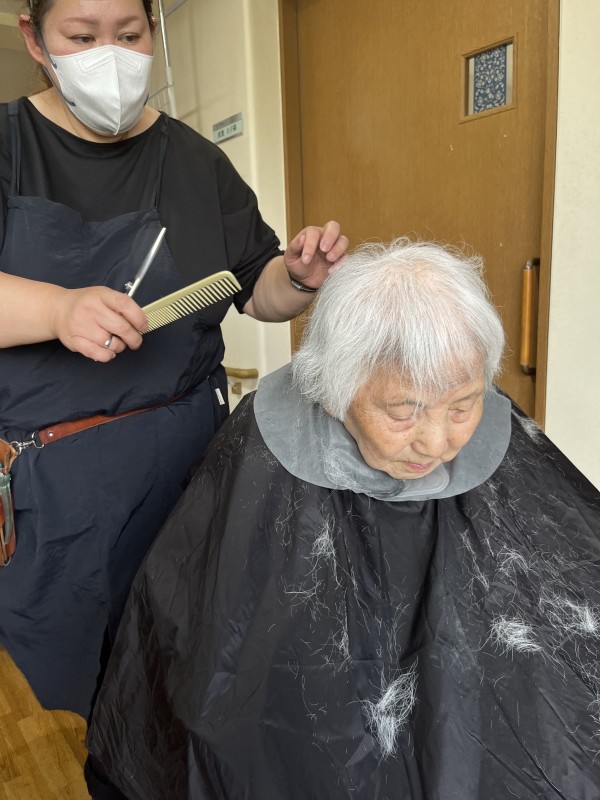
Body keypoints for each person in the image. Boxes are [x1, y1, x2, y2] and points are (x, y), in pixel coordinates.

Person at [87, 238, 600, 799]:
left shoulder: (507, 450)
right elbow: (213, 667)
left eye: (463, 406)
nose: (437, 442)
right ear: (332, 391)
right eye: (403, 412)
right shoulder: (257, 463)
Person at [0, 0, 348, 743]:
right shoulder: (8, 145)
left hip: (194, 475)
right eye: (81, 37)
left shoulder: (195, 161)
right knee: (85, 701)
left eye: (129, 35)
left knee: (189, 673)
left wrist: (298, 277)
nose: (110, 55)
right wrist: (56, 309)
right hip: (60, 494)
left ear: (153, 29)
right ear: (34, 38)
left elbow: (255, 287)